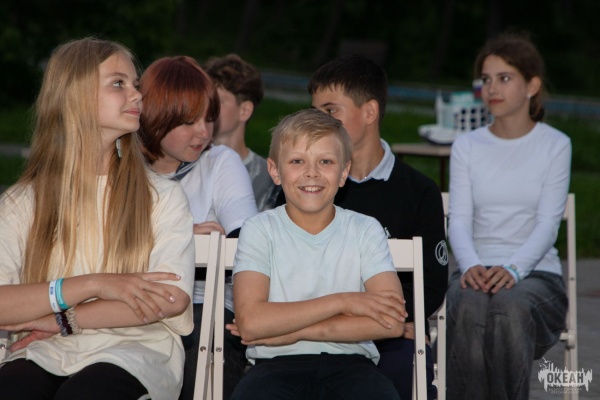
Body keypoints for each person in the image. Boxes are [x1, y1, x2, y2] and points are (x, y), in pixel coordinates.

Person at [0, 38, 194, 400]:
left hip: (136, 352)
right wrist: (94, 284)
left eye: (135, 84)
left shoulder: (161, 196)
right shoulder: (24, 201)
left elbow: (171, 298)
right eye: (119, 83)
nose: (137, 95)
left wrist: (61, 319)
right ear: (75, 96)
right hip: (44, 349)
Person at [227, 108, 405, 400]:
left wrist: (293, 332)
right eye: (297, 161)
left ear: (344, 172)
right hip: (274, 367)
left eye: (326, 161)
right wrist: (344, 301)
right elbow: (252, 323)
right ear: (275, 170)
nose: (312, 172)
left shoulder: (364, 229)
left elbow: (391, 320)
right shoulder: (259, 229)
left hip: (353, 365)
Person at [307, 54, 447, 399]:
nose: (318, 122)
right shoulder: (306, 186)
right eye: (314, 112)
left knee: (404, 368)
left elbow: (430, 282)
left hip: (388, 332)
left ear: (369, 112)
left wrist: (393, 320)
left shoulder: (419, 191)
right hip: (315, 327)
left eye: (330, 110)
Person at [446, 33, 570, 400]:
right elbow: (459, 221)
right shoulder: (466, 146)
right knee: (469, 304)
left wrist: (514, 269)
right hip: (475, 269)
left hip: (536, 275)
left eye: (504, 78)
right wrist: (470, 265)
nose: (492, 88)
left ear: (532, 86)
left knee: (509, 307)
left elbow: (547, 225)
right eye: (486, 79)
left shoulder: (555, 145)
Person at [137, 55, 257, 400]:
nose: (204, 132)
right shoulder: (123, 170)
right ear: (157, 116)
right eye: (189, 121)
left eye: (209, 118)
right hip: (135, 302)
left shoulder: (220, 162)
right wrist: (181, 236)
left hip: (207, 305)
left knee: (201, 343)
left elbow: (247, 239)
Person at [204, 54, 281, 211]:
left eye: (218, 101)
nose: (207, 108)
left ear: (244, 110)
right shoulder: (188, 164)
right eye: (205, 100)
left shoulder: (269, 178)